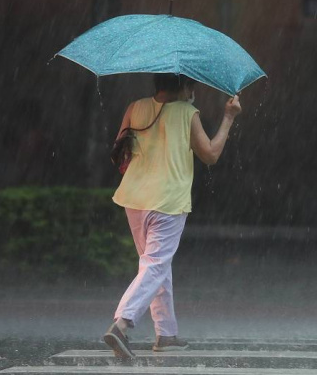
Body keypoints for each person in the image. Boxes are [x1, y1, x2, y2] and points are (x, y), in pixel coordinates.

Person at [103, 73, 242, 359]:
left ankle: (166, 334)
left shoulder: (135, 107)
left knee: (154, 265)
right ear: (184, 87)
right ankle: (122, 323)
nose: (194, 93)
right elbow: (211, 154)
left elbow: (120, 149)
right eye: (192, 86)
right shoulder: (187, 113)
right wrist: (228, 117)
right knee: (155, 266)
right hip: (167, 202)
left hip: (135, 199)